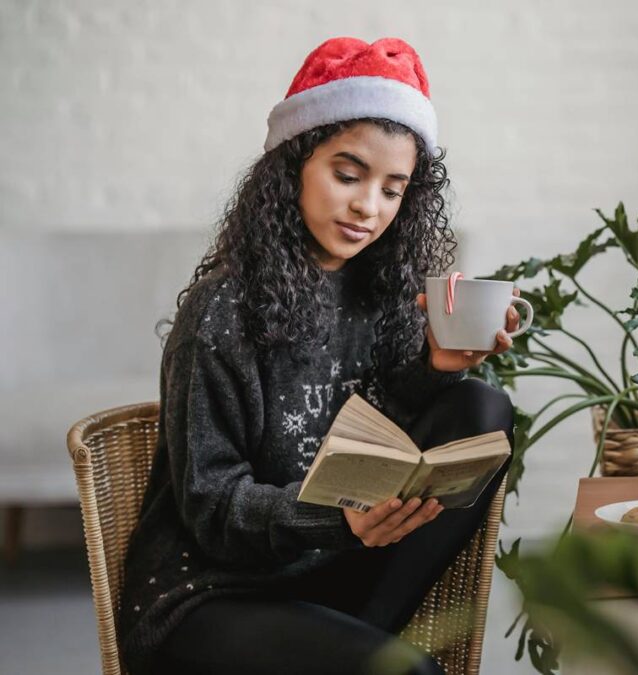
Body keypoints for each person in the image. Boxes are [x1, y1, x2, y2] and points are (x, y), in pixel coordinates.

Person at [116, 37, 519, 675]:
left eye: (392, 189)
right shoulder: (221, 314)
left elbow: (379, 424)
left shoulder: (381, 289)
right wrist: (337, 519)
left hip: (329, 572)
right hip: (214, 594)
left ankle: (354, 644)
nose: (368, 207)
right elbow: (212, 507)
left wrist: (437, 370)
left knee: (481, 408)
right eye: (348, 175)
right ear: (293, 166)